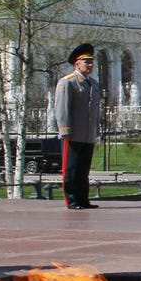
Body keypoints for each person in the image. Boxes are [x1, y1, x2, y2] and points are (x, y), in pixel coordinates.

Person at [51, 43, 103, 210]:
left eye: (91, 62)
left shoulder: (93, 84)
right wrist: (64, 129)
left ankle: (83, 199)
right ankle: (72, 200)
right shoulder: (68, 82)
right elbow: (62, 108)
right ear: (77, 64)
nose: (90, 65)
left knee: (83, 170)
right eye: (86, 62)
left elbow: (95, 111)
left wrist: (96, 131)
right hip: (73, 134)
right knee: (71, 169)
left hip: (87, 135)